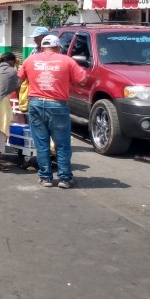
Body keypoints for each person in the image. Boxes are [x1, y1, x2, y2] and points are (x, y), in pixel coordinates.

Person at [18, 35, 87, 188]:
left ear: (42, 47)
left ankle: (45, 178)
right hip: (57, 105)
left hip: (35, 104)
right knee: (62, 144)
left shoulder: (30, 60)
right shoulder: (67, 60)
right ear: (58, 48)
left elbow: (20, 79)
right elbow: (82, 79)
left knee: (41, 144)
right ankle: (65, 178)